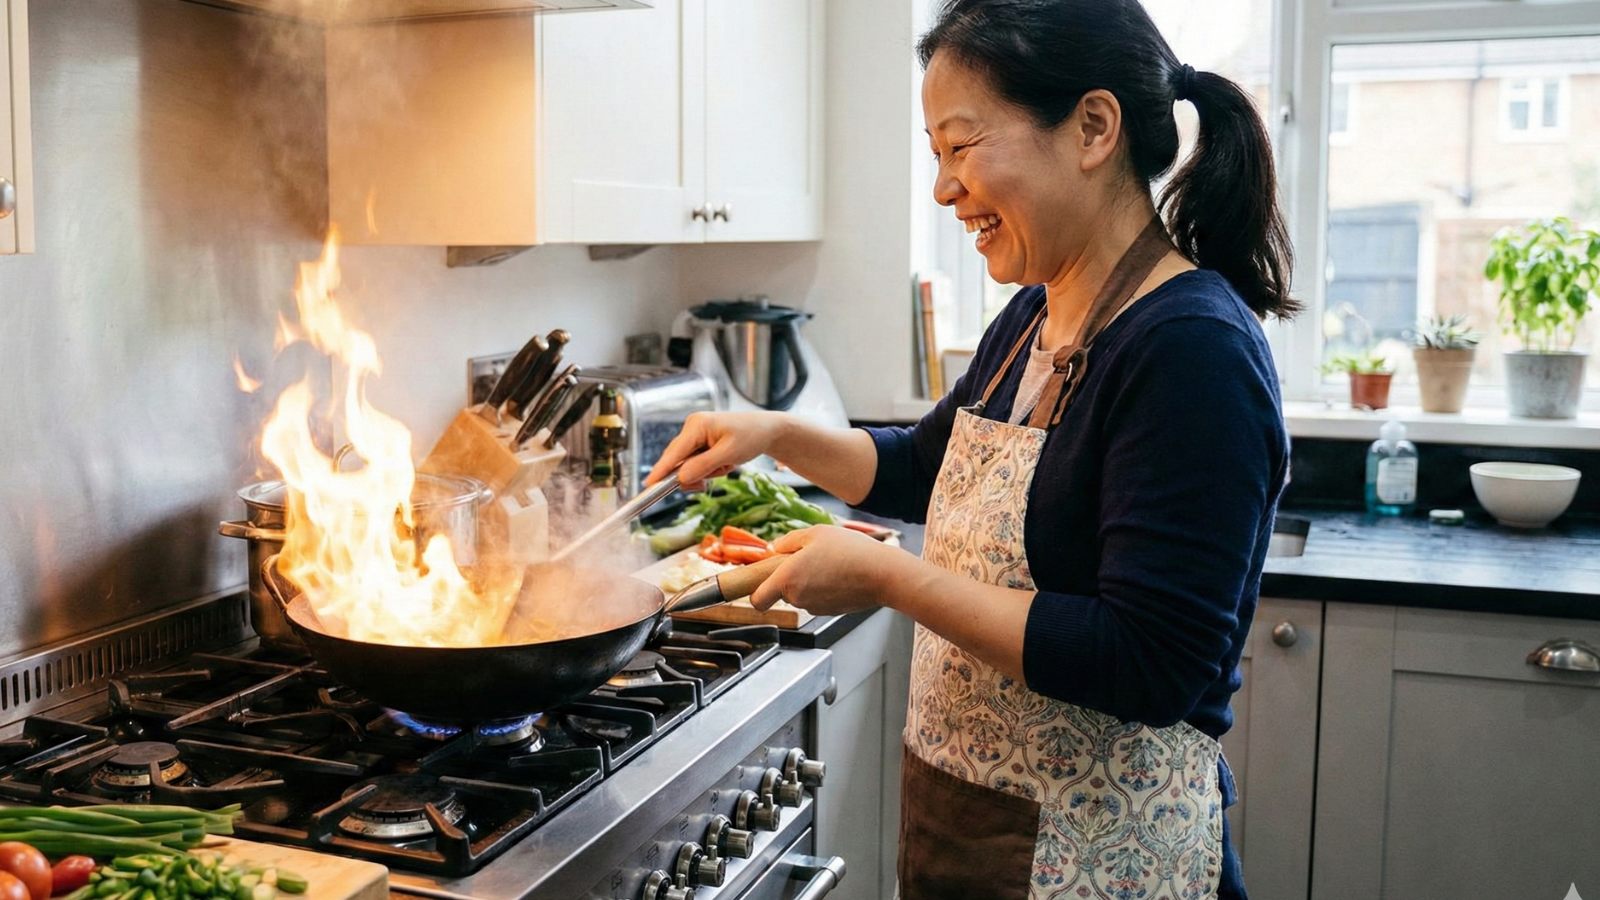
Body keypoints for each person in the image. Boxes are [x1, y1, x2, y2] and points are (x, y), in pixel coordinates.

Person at [647, 0, 1295, 896]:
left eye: (961, 147)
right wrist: (774, 432)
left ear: (1093, 128)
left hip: (1101, 862)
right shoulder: (1036, 311)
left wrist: (883, 578)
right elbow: (922, 465)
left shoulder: (1191, 349)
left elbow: (1150, 661)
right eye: (936, 156)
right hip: (973, 828)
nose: (945, 189)